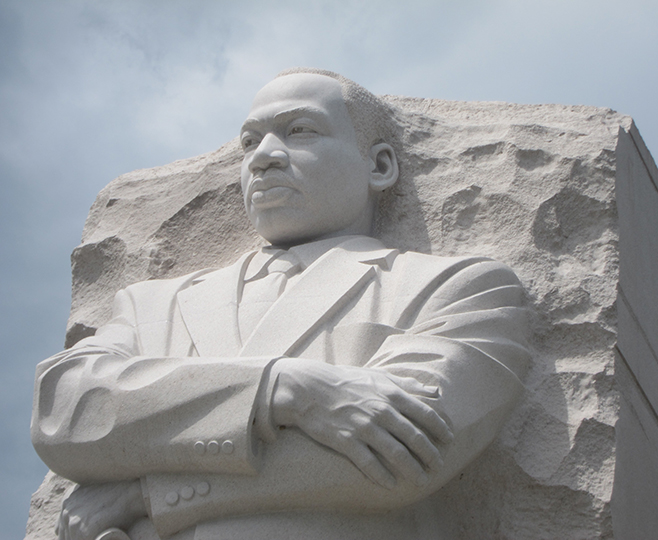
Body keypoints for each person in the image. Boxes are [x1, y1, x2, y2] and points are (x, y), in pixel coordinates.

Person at [32, 68, 530, 540]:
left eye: (300, 131)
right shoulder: (152, 305)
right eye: (249, 141)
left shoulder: (457, 289)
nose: (263, 156)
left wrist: (148, 493)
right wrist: (280, 388)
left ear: (378, 166)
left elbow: (400, 453)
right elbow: (66, 414)